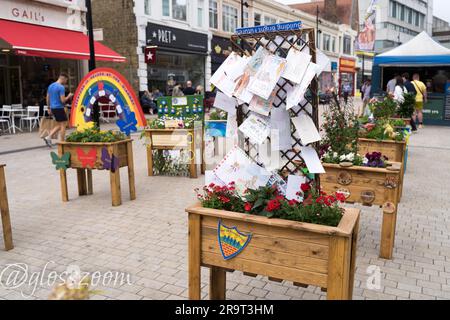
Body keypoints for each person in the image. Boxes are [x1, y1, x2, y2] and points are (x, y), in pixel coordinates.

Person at [43, 73, 73, 146]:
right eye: (66, 80)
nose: (66, 82)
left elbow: (47, 97)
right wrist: (69, 96)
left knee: (60, 124)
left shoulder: (51, 86)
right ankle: (62, 142)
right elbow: (63, 100)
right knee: (63, 125)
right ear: (63, 78)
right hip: (59, 108)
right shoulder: (61, 87)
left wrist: (49, 107)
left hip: (53, 108)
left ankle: (48, 137)